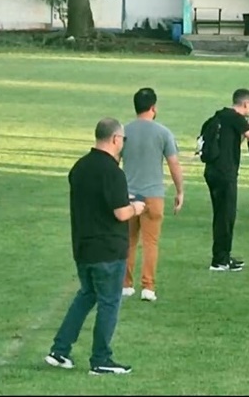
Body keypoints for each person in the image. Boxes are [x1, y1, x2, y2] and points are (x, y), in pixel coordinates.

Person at [44, 118, 146, 375]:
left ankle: (60, 349)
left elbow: (95, 199)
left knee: (87, 294)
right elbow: (121, 213)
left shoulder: (80, 167)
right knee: (109, 303)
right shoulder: (113, 172)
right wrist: (136, 207)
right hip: (108, 250)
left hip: (83, 247)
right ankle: (101, 359)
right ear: (115, 139)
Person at [120, 88, 184, 303]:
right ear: (153, 107)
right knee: (151, 243)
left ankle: (126, 284)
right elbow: (174, 164)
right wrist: (180, 191)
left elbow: (113, 162)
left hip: (128, 195)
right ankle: (148, 287)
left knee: (128, 241)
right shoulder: (163, 132)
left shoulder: (124, 132)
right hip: (154, 195)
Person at [205, 89, 249, 272]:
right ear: (245, 104)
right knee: (226, 217)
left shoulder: (222, 116)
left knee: (221, 215)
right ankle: (220, 260)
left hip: (213, 171)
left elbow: (239, 138)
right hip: (225, 174)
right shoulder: (236, 119)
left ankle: (223, 255)